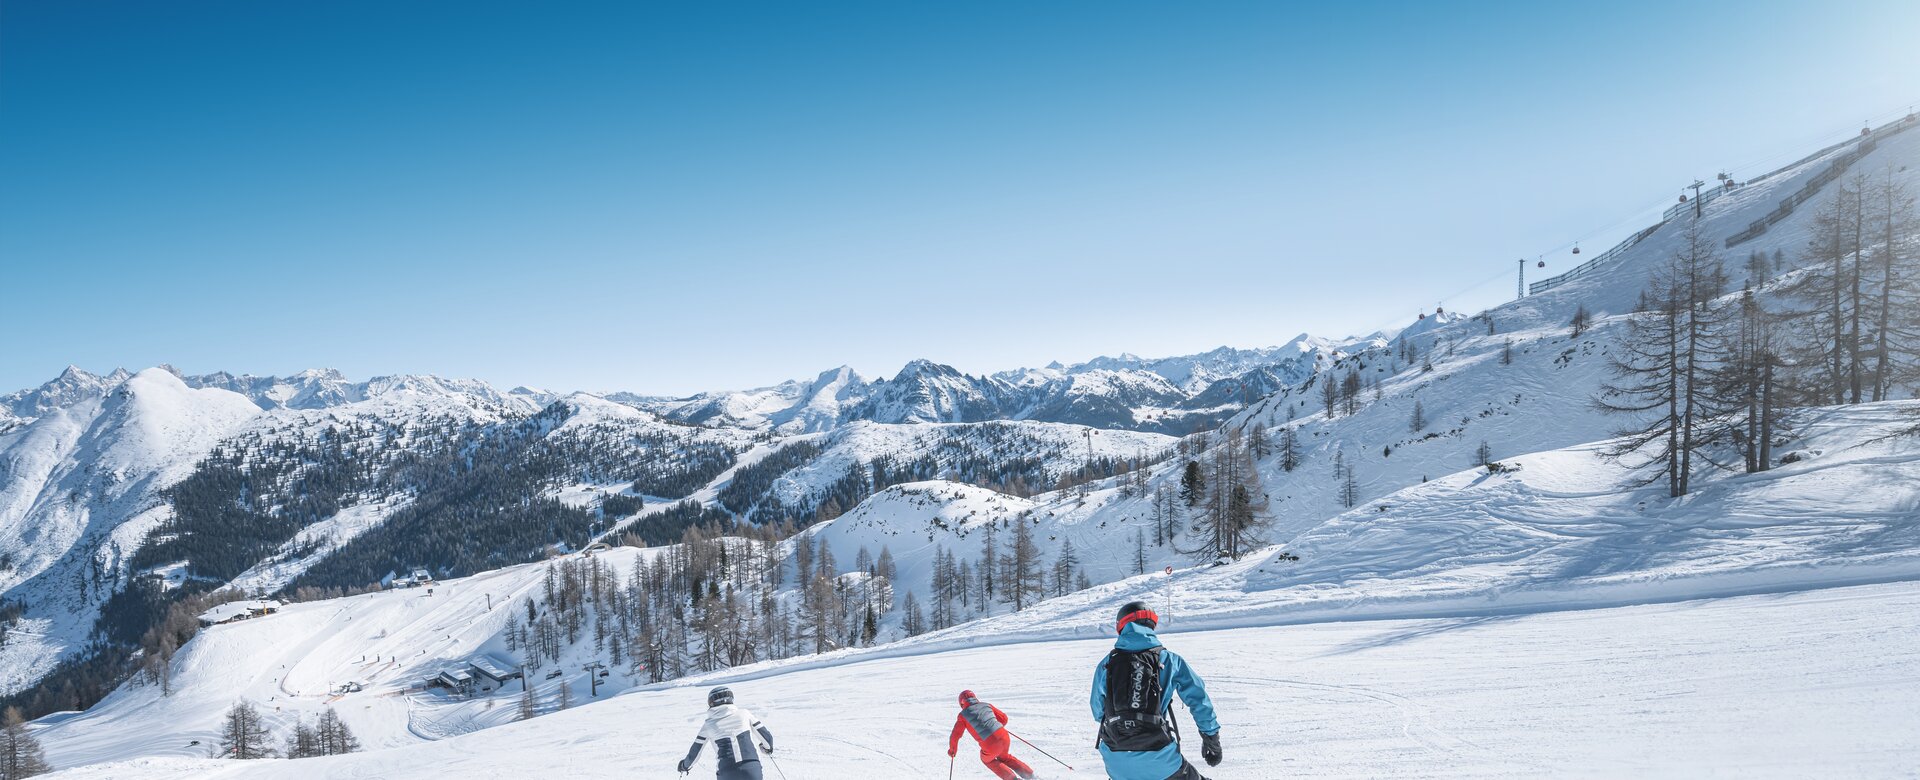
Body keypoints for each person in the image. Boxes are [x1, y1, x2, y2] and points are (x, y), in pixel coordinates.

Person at [1089, 601, 1222, 780]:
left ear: (1121, 626)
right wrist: (1211, 738)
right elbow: (1198, 700)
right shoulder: (1169, 659)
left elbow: (1098, 711)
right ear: (1152, 625)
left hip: (1116, 760)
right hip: (1161, 759)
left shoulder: (1107, 663)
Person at [677, 686, 775, 779]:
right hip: (752, 770)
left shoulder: (708, 725)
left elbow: (694, 753)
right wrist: (767, 748)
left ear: (711, 703)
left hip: (727, 773)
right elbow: (767, 737)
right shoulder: (744, 714)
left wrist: (684, 766)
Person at [948, 689, 1037, 780]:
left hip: (990, 743)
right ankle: (1031, 776)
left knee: (987, 760)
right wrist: (994, 726)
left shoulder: (963, 715)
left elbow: (955, 735)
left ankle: (1011, 778)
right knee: (1005, 757)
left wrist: (952, 750)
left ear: (961, 703)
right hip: (1004, 736)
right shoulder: (986, 705)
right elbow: (1004, 719)